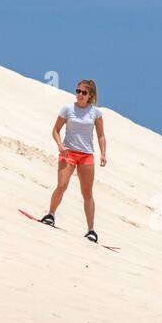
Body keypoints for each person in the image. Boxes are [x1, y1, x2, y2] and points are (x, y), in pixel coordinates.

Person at [39, 80, 107, 241]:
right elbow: (55, 130)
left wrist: (103, 154)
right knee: (62, 185)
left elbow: (101, 135)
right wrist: (60, 145)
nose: (79, 95)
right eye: (78, 91)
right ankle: (50, 214)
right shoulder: (67, 109)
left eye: (84, 92)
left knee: (87, 193)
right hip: (68, 152)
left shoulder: (96, 113)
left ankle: (91, 230)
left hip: (86, 155)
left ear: (90, 95)